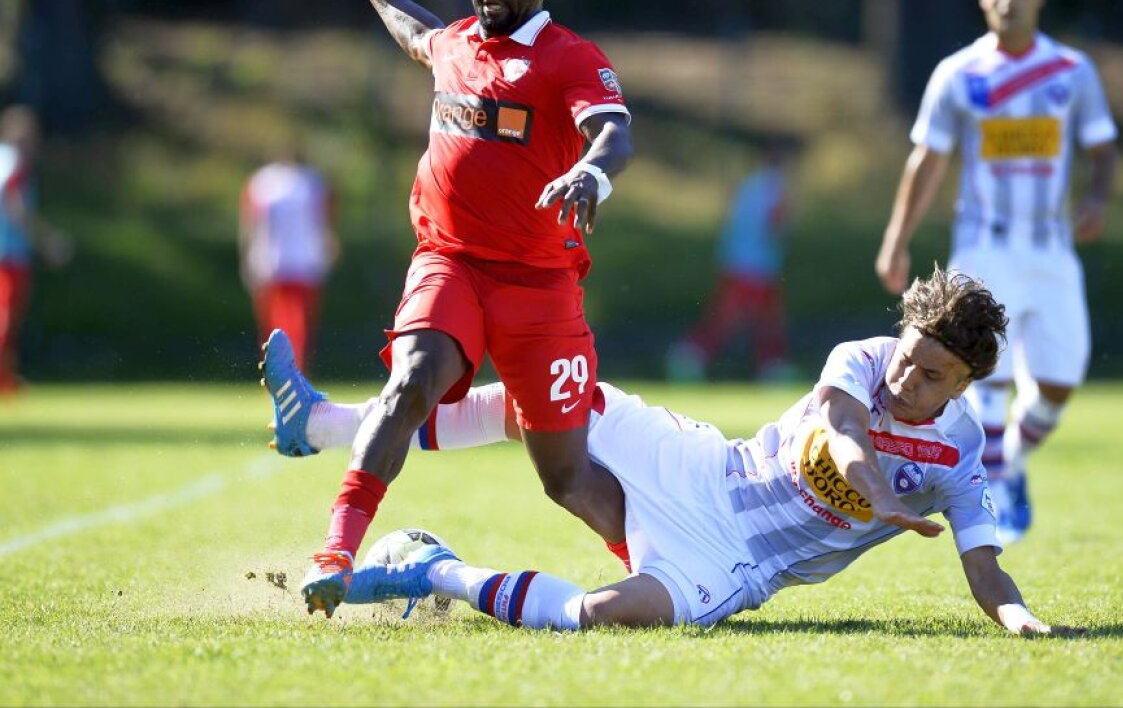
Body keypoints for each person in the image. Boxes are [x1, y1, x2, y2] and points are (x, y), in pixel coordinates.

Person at [311, 267, 1081, 636]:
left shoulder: (959, 453)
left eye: (931, 375)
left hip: (738, 562)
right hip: (709, 468)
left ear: (968, 382)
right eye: (908, 357)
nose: (907, 377)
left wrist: (1019, 620)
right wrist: (879, 497)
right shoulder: (862, 358)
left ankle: (432, 570)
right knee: (559, 404)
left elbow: (984, 565)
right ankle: (329, 425)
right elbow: (844, 431)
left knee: (602, 615)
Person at [263, 0, 634, 618]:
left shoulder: (570, 58)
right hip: (450, 261)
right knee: (410, 383)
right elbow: (416, 33)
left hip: (540, 284)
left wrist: (592, 172)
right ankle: (335, 552)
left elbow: (613, 131)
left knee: (565, 477)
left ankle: (663, 571)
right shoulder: (457, 41)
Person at [874, 0, 1118, 544]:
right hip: (985, 248)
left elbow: (1101, 146)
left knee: (1059, 383)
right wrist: (897, 239)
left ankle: (1010, 459)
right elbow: (927, 160)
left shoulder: (1072, 72)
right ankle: (997, 490)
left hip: (1052, 249)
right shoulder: (959, 74)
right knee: (984, 376)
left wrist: (1096, 198)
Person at [666, 138, 797, 382]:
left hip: (738, 261)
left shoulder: (750, 184)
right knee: (744, 319)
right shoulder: (775, 186)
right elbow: (777, 224)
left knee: (759, 318)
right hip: (757, 265)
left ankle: (771, 366)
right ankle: (691, 356)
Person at [239, 144, 338, 373]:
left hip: (281, 262)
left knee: (283, 326)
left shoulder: (264, 182)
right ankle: (290, 372)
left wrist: (248, 256)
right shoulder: (310, 182)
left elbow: (249, 224)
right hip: (297, 261)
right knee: (292, 325)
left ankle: (285, 372)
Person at [0, 105, 73, 394]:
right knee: (6, 316)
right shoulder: (14, 162)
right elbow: (16, 208)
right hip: (8, 255)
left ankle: (5, 378)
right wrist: (47, 241)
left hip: (10, 253)